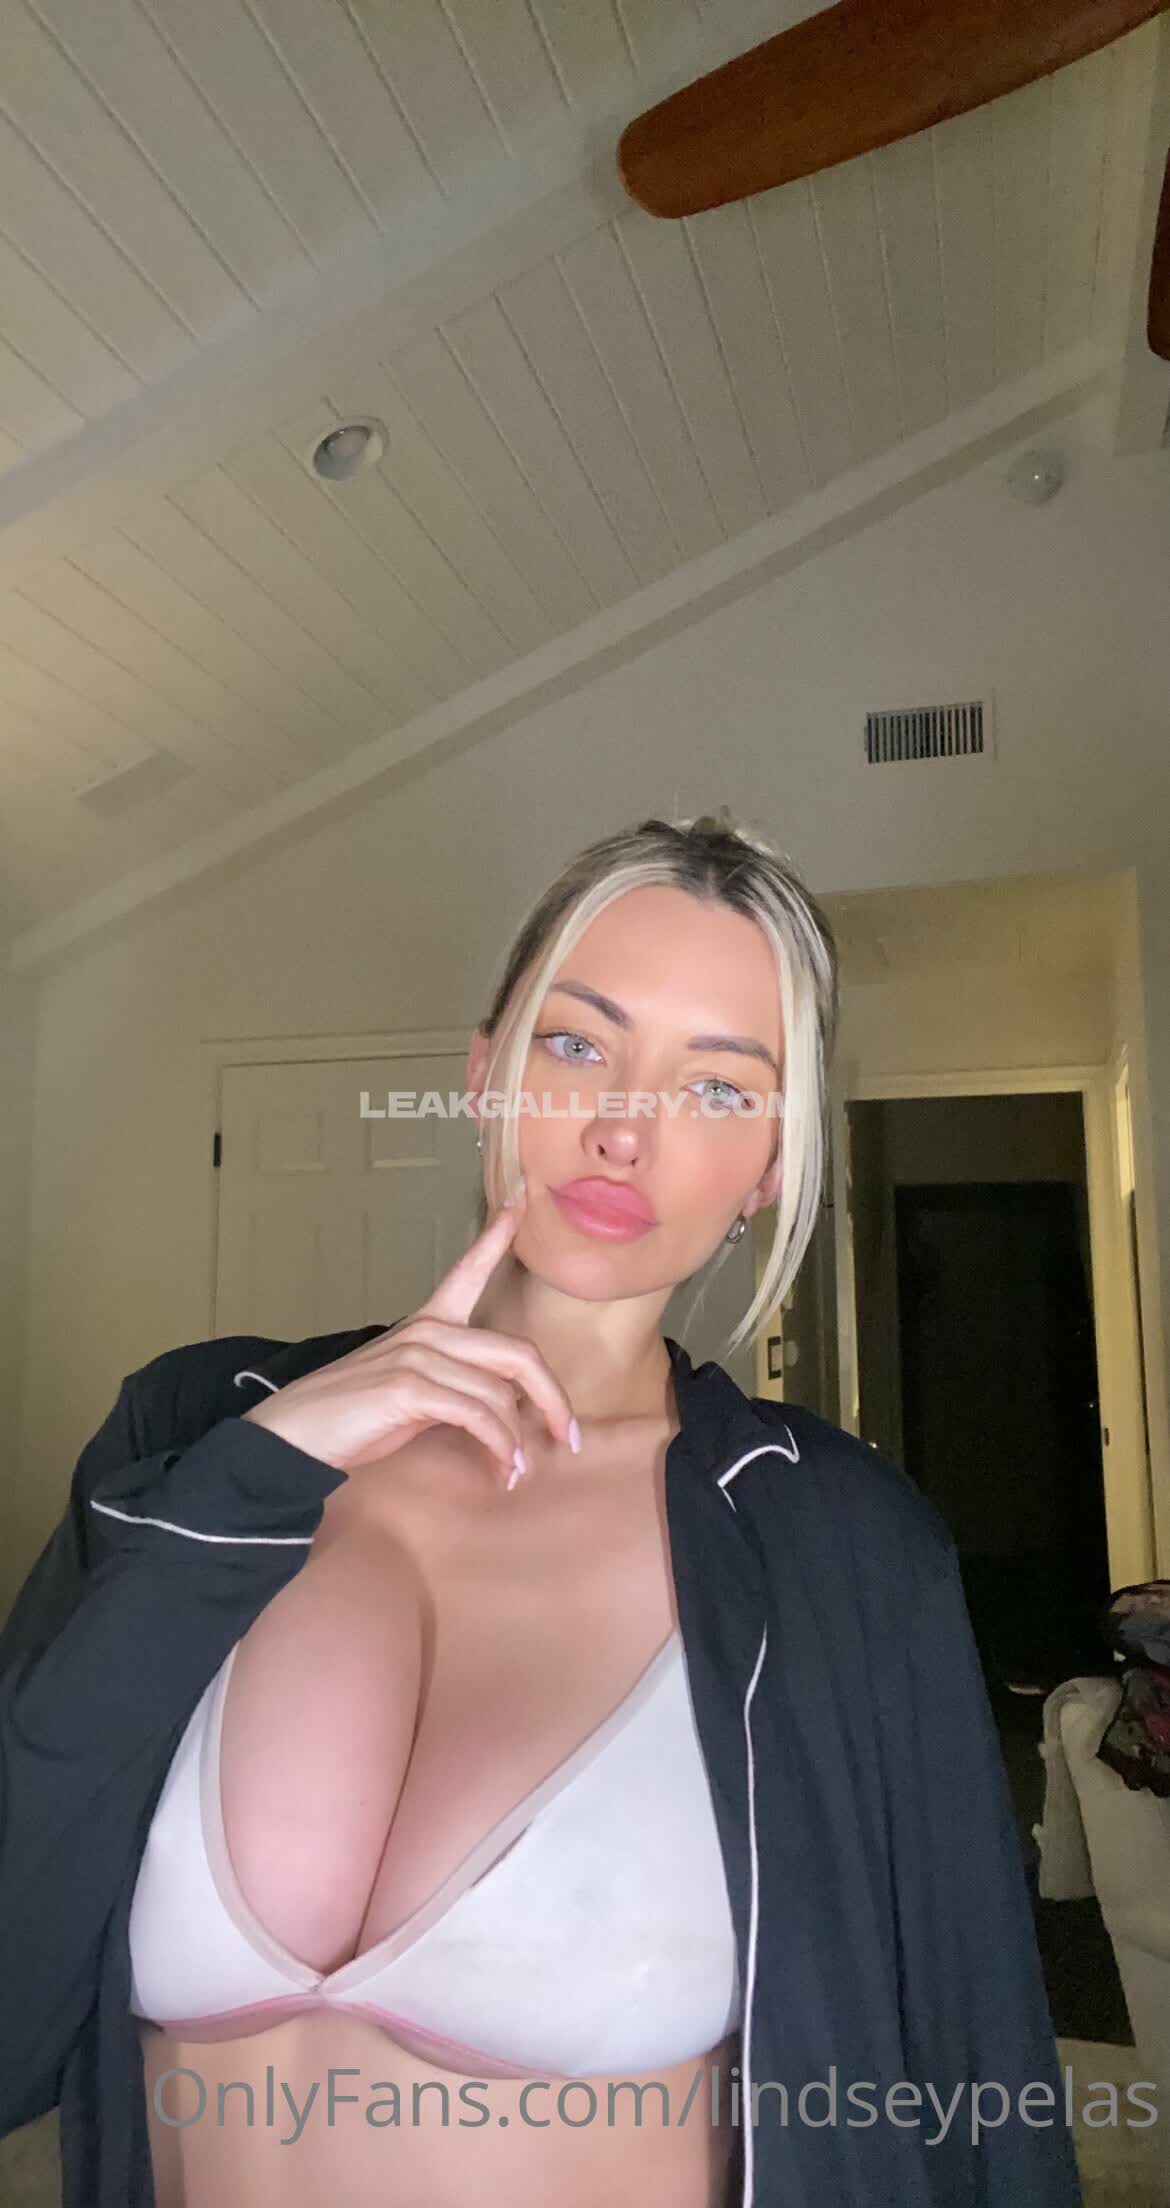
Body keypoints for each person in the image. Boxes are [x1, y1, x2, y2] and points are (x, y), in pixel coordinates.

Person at [0, 809, 1084, 2208]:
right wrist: (252, 1476)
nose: (624, 1129)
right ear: (484, 1074)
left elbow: (978, 2096)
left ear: (769, 1167)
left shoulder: (841, 1545)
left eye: (717, 1087)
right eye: (577, 1046)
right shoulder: (198, 1428)